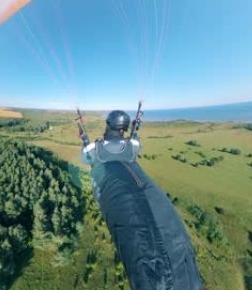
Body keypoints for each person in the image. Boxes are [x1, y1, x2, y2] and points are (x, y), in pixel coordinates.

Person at [81, 110, 203, 290]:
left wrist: (84, 138)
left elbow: (87, 157)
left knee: (141, 245)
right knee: (171, 234)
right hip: (148, 192)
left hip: (115, 195)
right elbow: (135, 143)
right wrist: (135, 131)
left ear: (108, 125)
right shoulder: (132, 145)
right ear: (124, 128)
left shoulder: (93, 149)